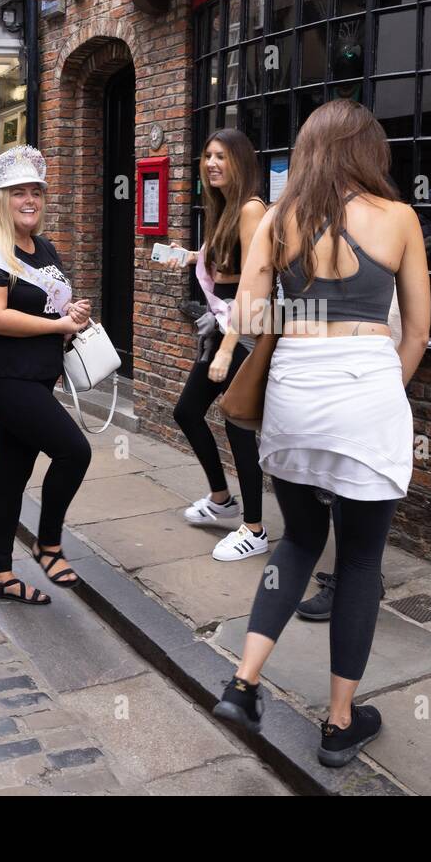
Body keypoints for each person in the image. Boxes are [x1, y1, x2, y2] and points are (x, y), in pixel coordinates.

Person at [211, 100, 431, 767]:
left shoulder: (276, 219)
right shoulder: (398, 218)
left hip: (294, 397)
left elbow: (248, 315)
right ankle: (339, 723)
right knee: (360, 561)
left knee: (301, 538)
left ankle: (243, 682)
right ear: (367, 150)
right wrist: (382, 387)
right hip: (366, 389)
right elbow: (418, 328)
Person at [0, 145, 93, 605]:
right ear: (0, 199)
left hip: (34, 374)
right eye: (19, 193)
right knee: (74, 451)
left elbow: (47, 305)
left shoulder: (44, 248)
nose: (30, 199)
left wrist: (71, 313)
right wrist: (59, 325)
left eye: (36, 191)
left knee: (12, 476)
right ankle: (48, 544)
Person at [157, 129, 269, 561]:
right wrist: (184, 257)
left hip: (245, 333)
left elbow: (253, 288)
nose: (212, 163)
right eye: (207, 156)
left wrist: (227, 348)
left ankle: (255, 528)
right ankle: (222, 499)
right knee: (187, 412)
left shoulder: (251, 210)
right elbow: (221, 266)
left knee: (238, 423)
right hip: (224, 329)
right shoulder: (224, 210)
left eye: (221, 156)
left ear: (240, 161)